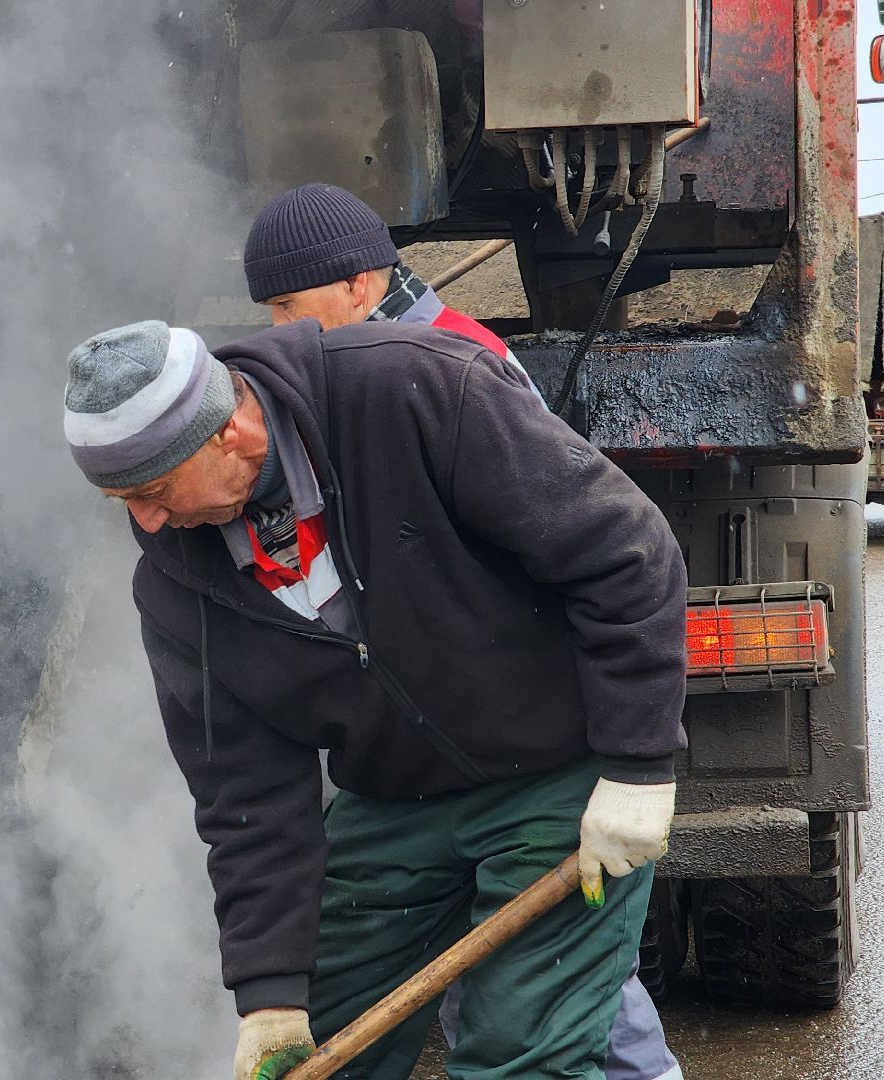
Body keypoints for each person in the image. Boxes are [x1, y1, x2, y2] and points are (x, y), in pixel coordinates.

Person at [60, 311, 687, 1078]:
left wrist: (638, 765)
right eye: (122, 500)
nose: (147, 521)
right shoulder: (173, 582)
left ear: (229, 433)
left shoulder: (413, 390)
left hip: (558, 778)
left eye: (153, 490)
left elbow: (627, 554)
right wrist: (270, 998)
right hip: (395, 804)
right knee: (313, 1055)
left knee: (521, 1058)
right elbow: (245, 799)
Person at [242, 183, 684, 1080]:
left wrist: (624, 761)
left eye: (291, 306)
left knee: (562, 997)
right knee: (541, 983)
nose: (279, 332)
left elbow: (595, 548)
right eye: (269, 312)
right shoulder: (348, 380)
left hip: (535, 738)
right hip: (450, 743)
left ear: (361, 288)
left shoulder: (445, 366)